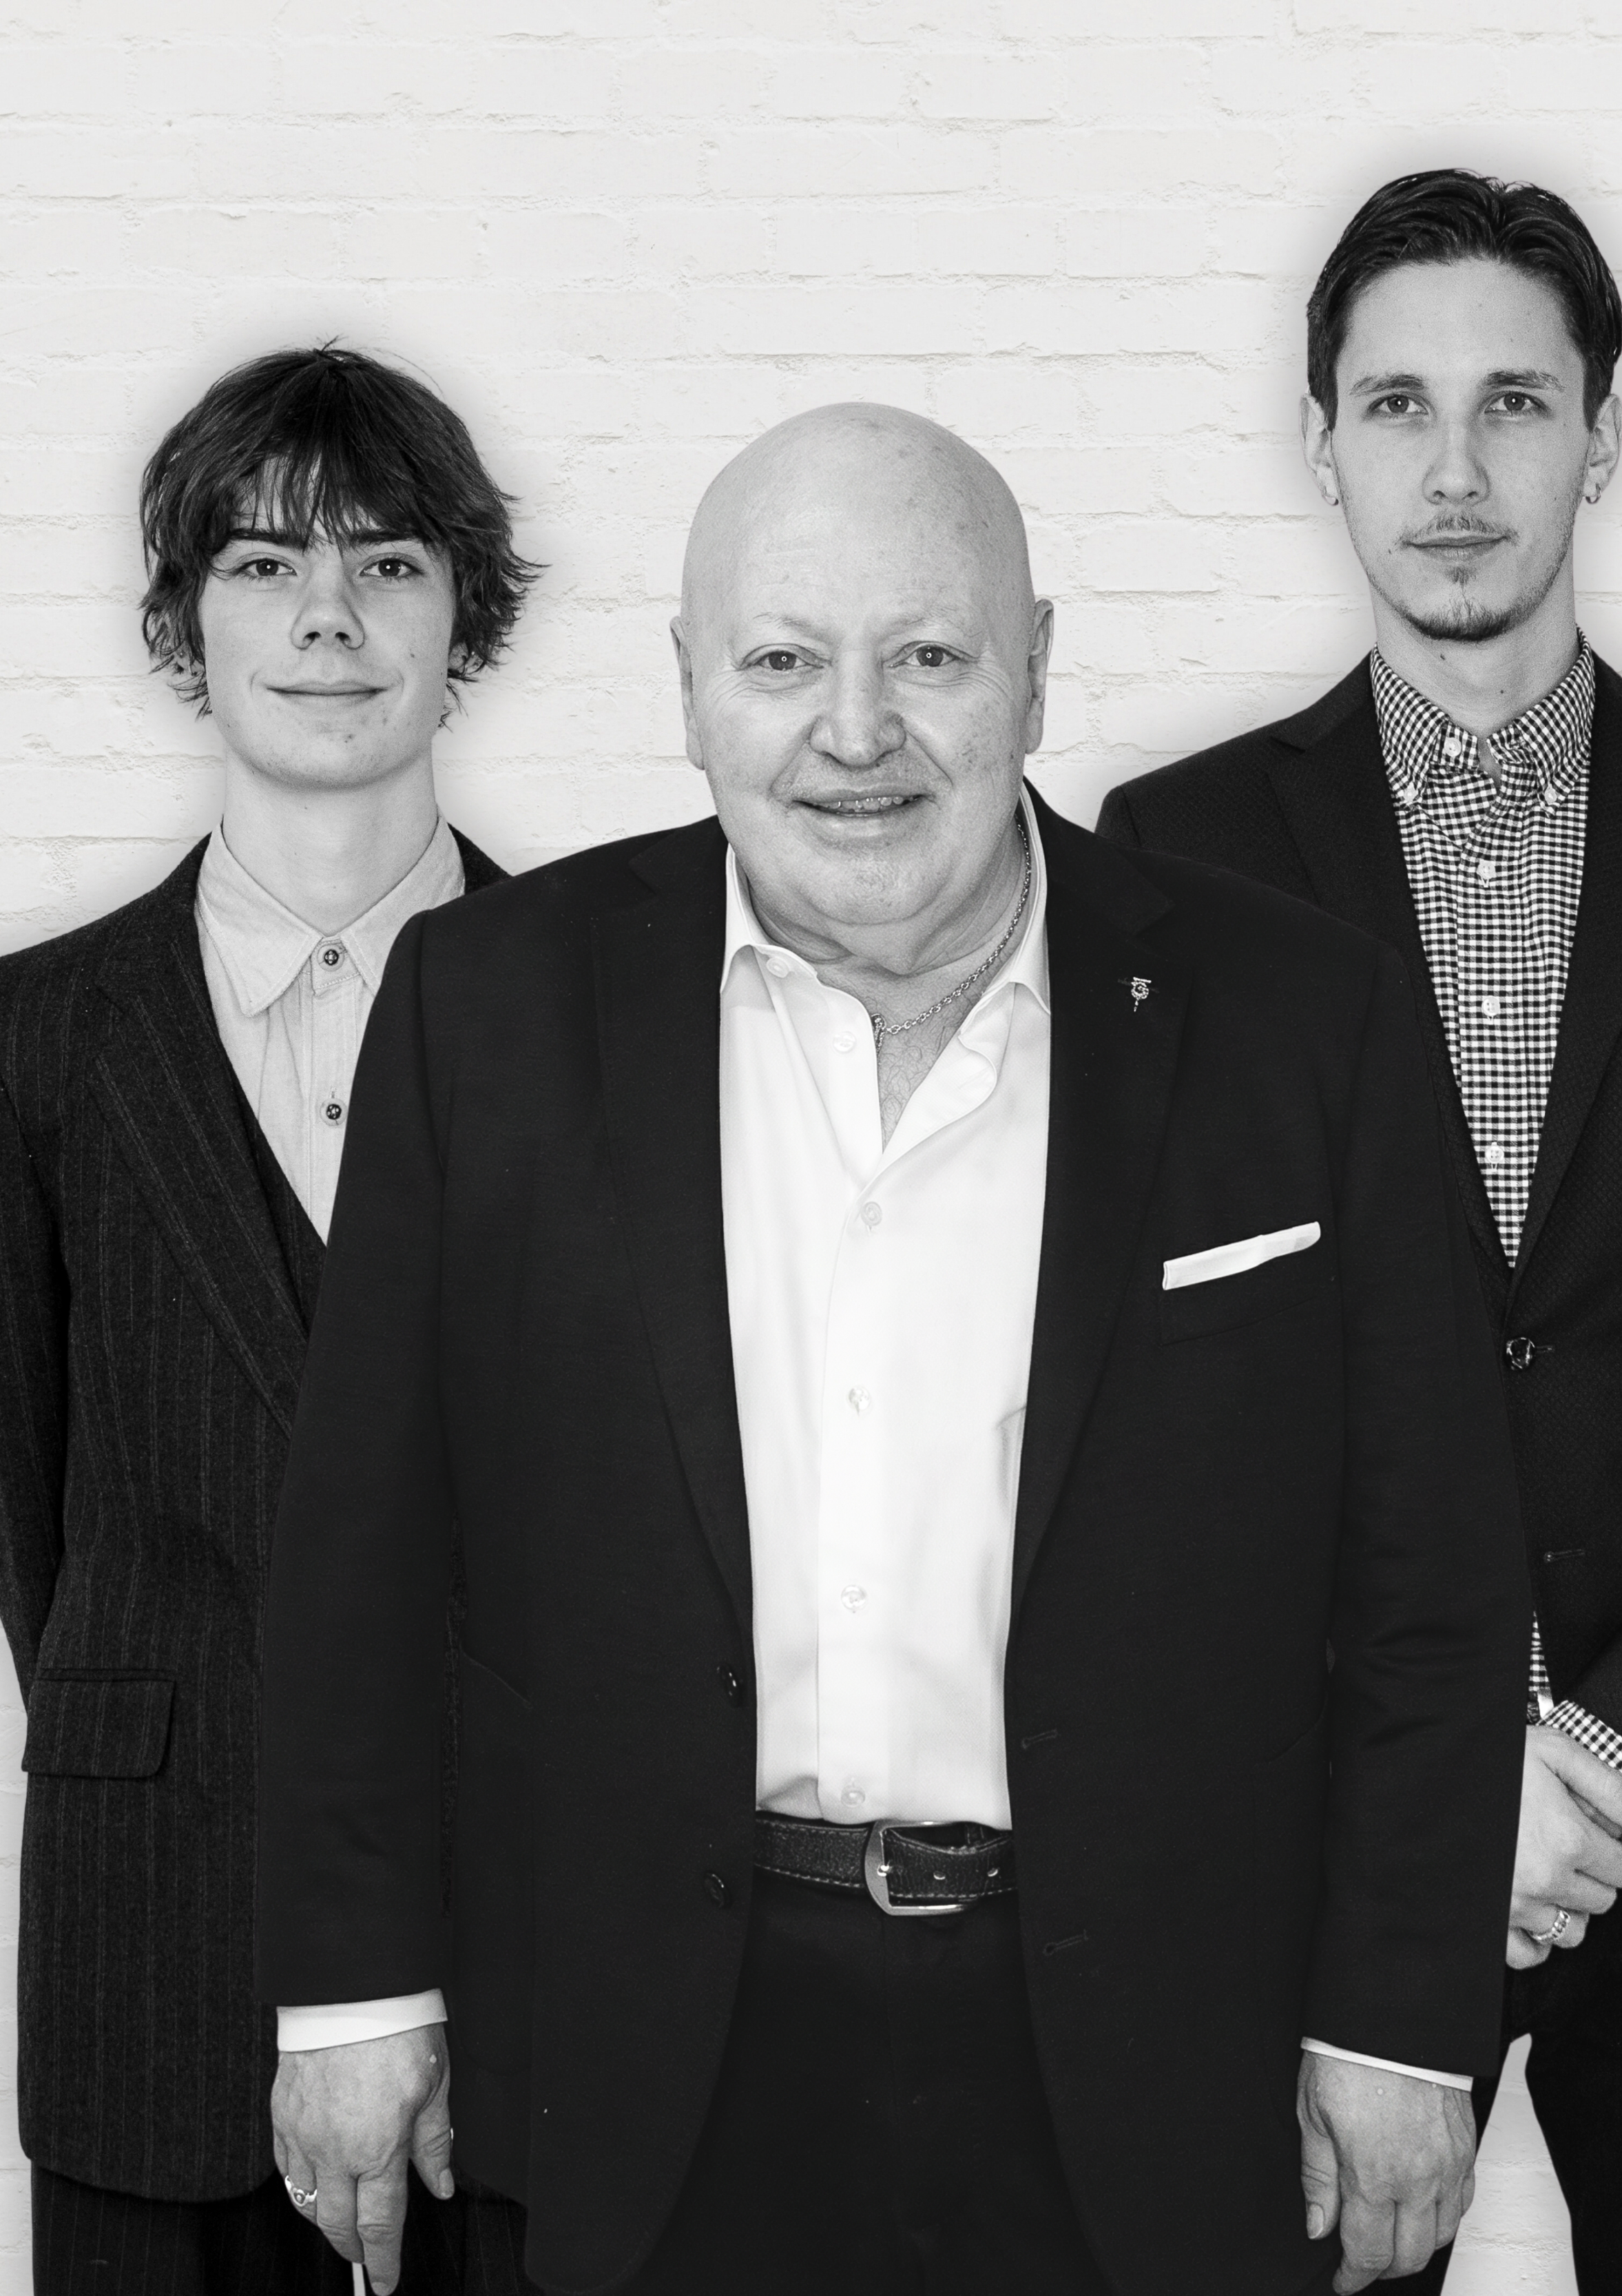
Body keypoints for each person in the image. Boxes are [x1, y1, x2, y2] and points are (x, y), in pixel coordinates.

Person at [257, 402, 1527, 2296]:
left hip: (1156, 2045)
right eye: (782, 661)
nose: (854, 731)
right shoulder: (489, 1007)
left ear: (1030, 668)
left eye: (927, 656)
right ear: (690, 691)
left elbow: (1432, 1564)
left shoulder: (1301, 1015)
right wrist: (352, 1992)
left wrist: (1399, 2021)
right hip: (653, 2044)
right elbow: (362, 1540)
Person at [1099, 168, 1622, 2293]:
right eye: (1392, 407)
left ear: (1602, 436)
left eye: (1512, 405)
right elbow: (1165, 1403)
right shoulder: (1171, 862)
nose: (1450, 472)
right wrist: (1445, 1772)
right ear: (1318, 443)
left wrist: (1611, 1759)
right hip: (1327, 1847)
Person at [0, 343, 536, 2293]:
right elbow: (36, 1520)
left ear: (463, 617)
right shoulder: (37, 1042)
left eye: (387, 565)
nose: (325, 619)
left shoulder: (608, 1017)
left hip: (527, 1942)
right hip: (158, 1944)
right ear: (178, 624)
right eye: (259, 566)